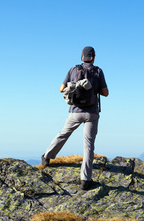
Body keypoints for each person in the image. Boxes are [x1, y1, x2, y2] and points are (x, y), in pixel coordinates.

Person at [41, 46, 109, 190]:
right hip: (91, 113)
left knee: (63, 134)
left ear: (82, 57)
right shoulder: (98, 71)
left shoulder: (73, 69)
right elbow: (105, 93)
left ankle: (47, 157)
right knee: (89, 145)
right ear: (94, 57)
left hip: (75, 112)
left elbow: (61, 88)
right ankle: (85, 180)